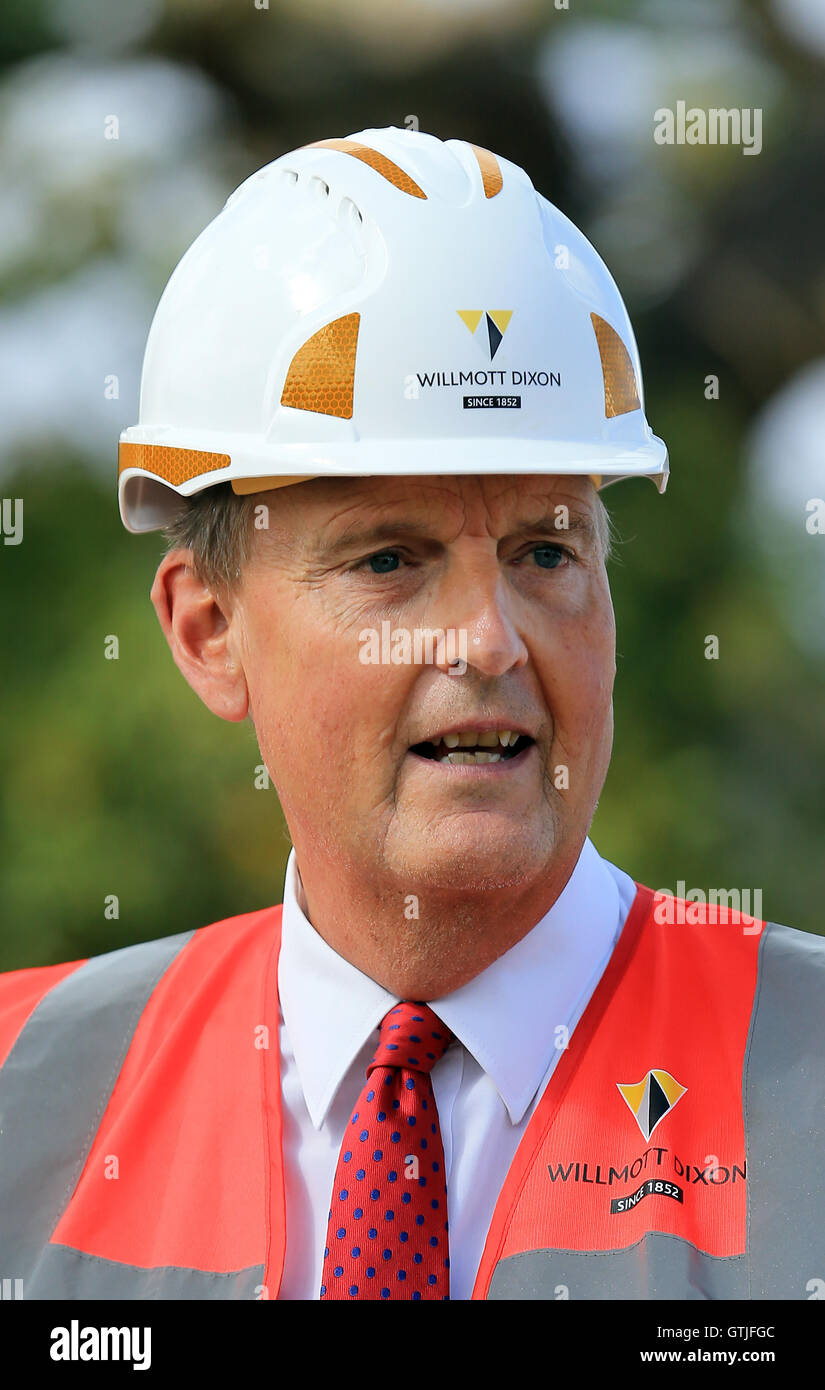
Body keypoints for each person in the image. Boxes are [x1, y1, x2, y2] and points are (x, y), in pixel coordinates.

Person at [0, 127, 822, 1302]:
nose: (488, 638)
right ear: (208, 632)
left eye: (546, 550)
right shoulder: (23, 1089)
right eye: (390, 559)